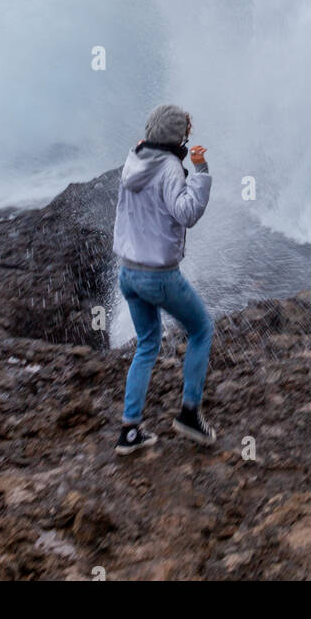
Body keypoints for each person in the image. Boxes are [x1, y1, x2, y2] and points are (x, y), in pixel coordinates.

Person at [112, 103, 215, 455]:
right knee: (201, 329)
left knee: (147, 344)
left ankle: (129, 430)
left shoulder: (134, 159)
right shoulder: (171, 167)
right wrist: (199, 172)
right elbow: (186, 213)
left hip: (128, 273)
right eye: (186, 132)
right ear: (175, 136)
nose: (188, 138)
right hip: (158, 276)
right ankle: (189, 413)